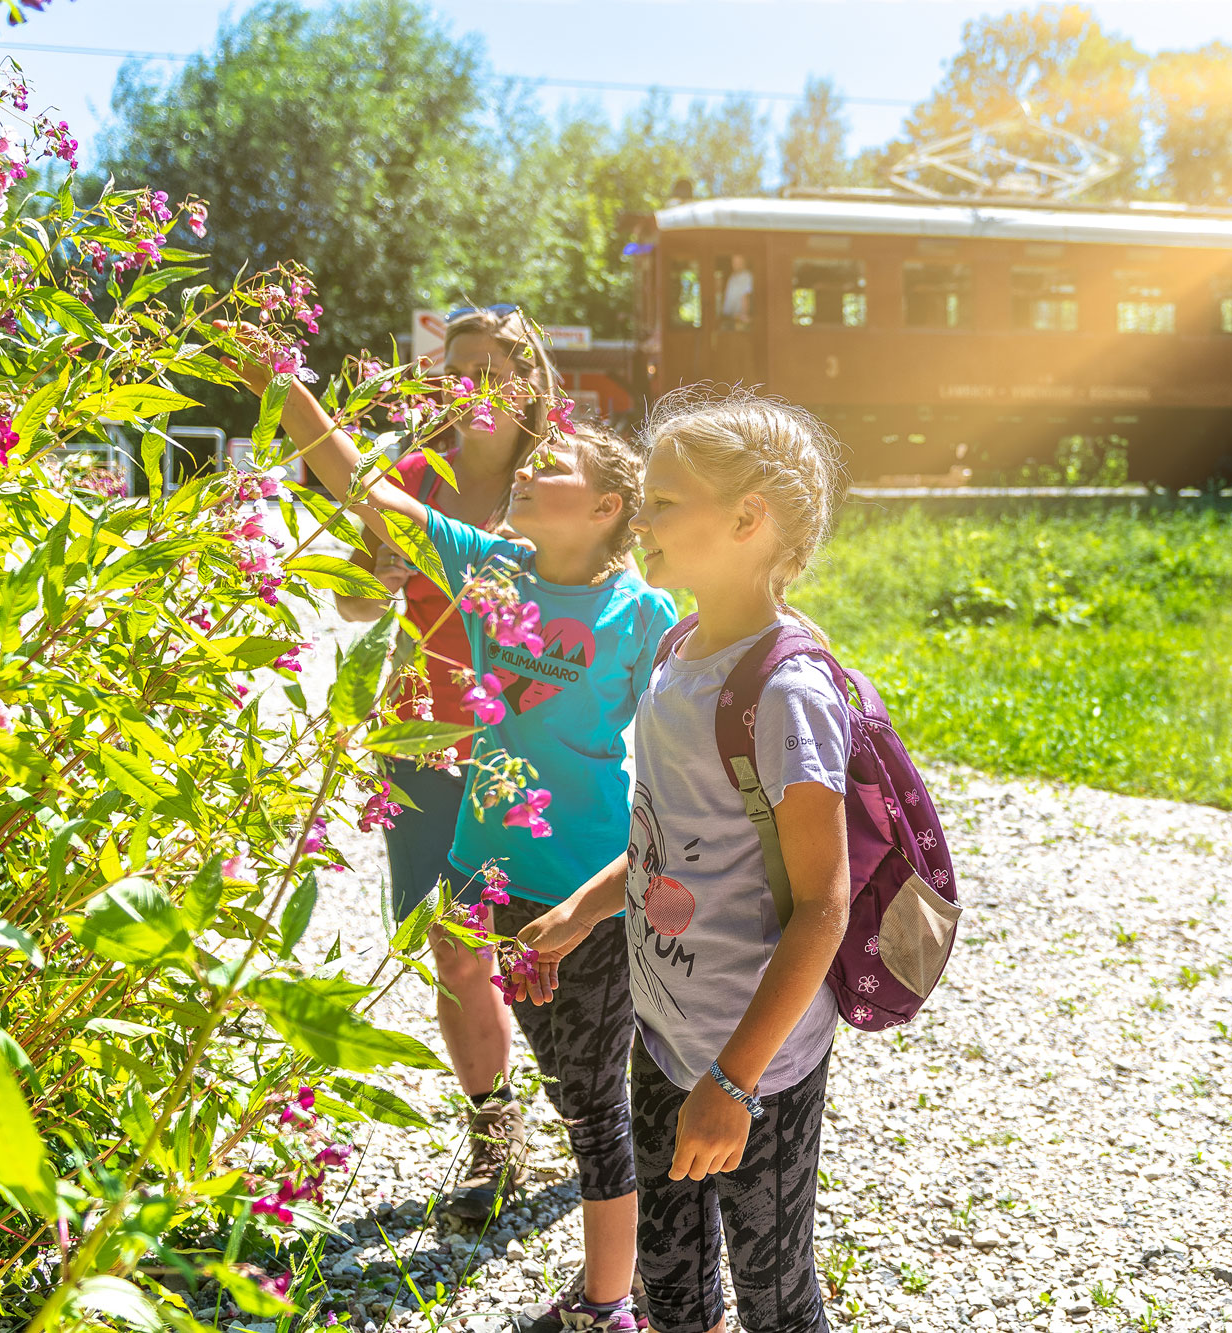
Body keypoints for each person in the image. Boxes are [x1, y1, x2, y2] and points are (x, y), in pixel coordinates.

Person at [226, 335, 677, 1333]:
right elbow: (361, 484)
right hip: (478, 864)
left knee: (594, 1102)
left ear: (607, 509)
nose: (533, 465)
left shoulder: (643, 614)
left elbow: (688, 743)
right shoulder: (487, 565)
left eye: (557, 464)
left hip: (582, 893)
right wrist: (285, 387)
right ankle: (511, 1148)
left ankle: (613, 1297)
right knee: (508, 1021)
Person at [517, 390, 854, 1333]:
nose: (642, 520)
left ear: (749, 518)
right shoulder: (675, 649)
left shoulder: (785, 692)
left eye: (664, 502)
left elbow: (824, 906)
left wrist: (736, 1081)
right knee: (670, 1286)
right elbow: (664, 837)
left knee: (776, 1298)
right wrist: (585, 907)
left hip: (760, 1061)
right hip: (664, 1033)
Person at [331, 306, 564, 1221]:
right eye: (454, 369)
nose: (467, 387)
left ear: (530, 381)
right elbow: (352, 603)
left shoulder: (561, 478)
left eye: (489, 368)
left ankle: (607, 1112)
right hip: (422, 740)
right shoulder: (411, 477)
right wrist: (377, 579)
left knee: (560, 940)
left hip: (536, 748)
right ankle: (494, 1132)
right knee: (454, 947)